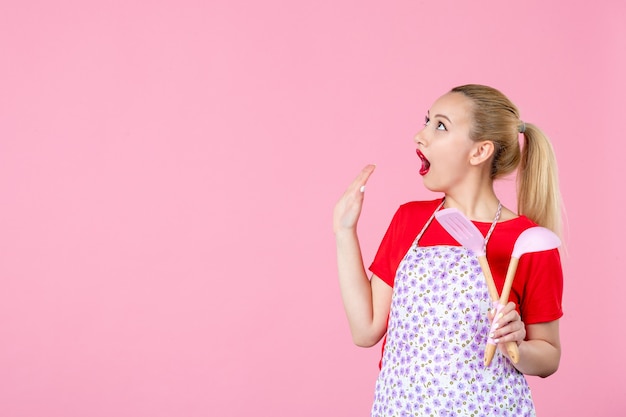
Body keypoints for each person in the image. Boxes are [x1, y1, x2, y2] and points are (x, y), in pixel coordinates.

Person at [333, 84, 564, 416]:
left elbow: (549, 356)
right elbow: (365, 328)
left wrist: (516, 347)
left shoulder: (528, 242)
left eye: (439, 125)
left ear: (479, 151)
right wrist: (344, 232)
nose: (419, 135)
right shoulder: (410, 220)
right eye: (426, 121)